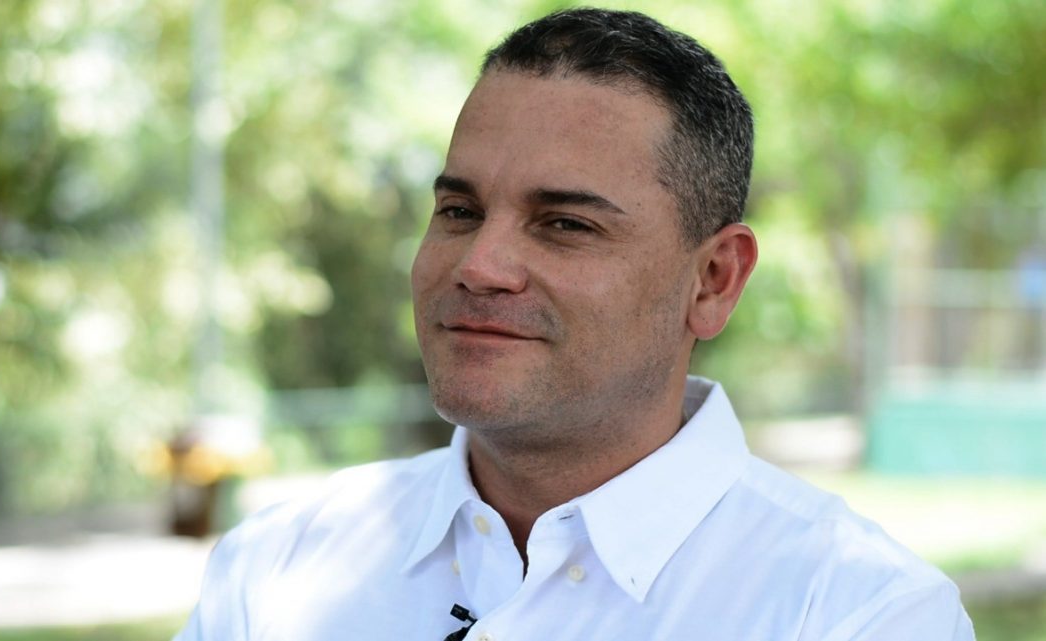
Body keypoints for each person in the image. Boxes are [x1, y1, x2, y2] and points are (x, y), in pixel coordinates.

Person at [175, 8, 974, 640]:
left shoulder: (853, 613)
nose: (479, 264)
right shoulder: (279, 571)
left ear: (713, 280)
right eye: (459, 210)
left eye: (565, 223)